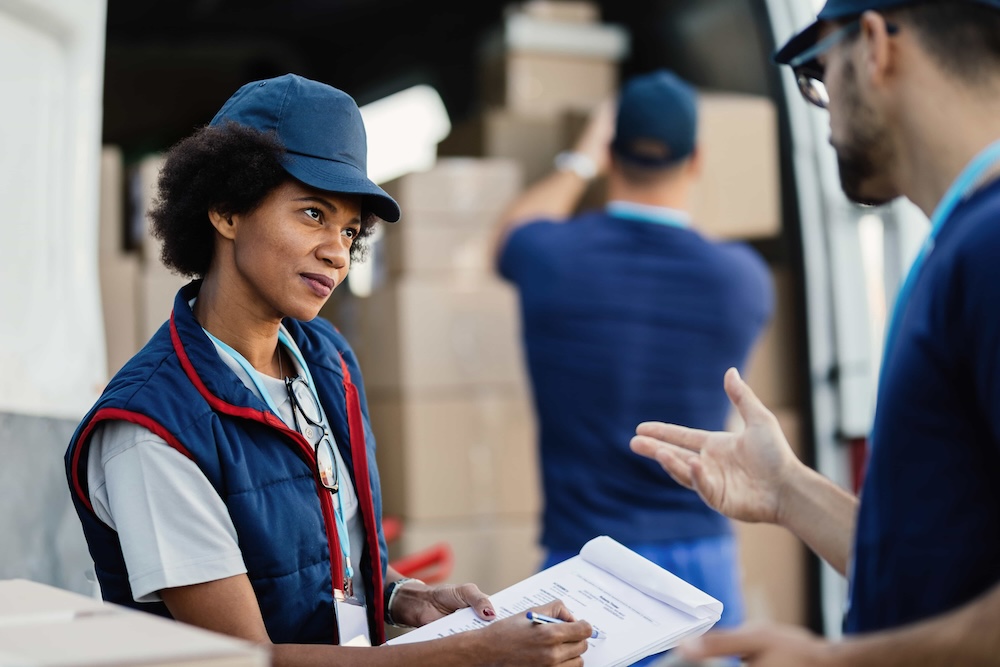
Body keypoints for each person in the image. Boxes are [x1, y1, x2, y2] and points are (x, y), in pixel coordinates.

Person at [64, 73, 592, 666]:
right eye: (313, 213)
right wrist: (475, 655)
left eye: (348, 229)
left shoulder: (326, 358)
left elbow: (325, 562)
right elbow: (244, 661)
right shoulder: (151, 431)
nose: (338, 251)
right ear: (226, 209)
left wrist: (402, 596)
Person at [631, 0, 1000, 664]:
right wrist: (787, 490)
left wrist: (837, 661)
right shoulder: (964, 242)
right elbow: (938, 572)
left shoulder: (991, 247)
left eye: (818, 71)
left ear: (874, 44)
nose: (823, 108)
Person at [492, 69, 775, 663]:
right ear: (695, 159)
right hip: (702, 567)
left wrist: (578, 161)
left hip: (584, 565)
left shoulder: (549, 256)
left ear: (611, 152)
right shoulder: (742, 280)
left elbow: (507, 234)